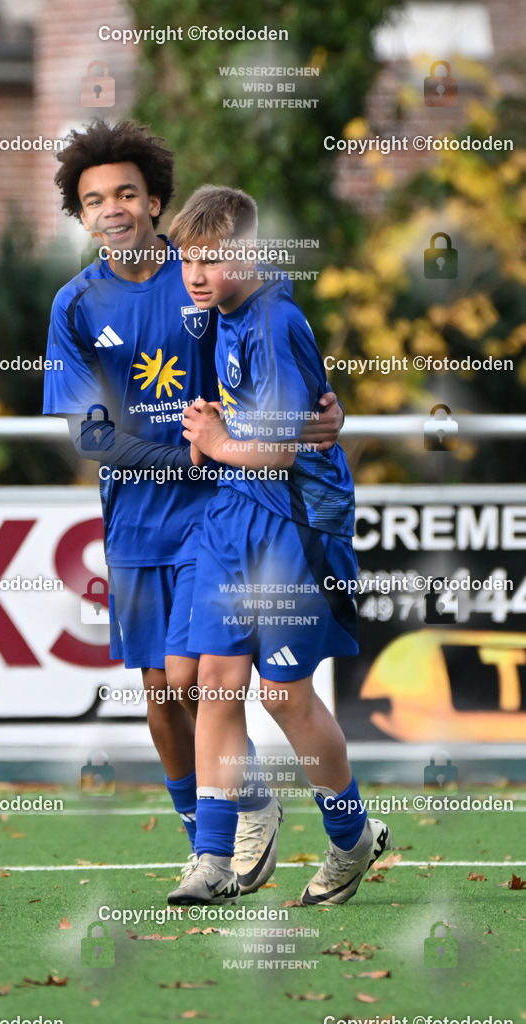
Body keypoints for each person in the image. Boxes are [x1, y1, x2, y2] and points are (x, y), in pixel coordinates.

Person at [43, 120, 344, 892]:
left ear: (154, 202)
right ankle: (221, 825)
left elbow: (277, 343)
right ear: (79, 216)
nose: (110, 209)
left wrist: (318, 414)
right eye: (92, 199)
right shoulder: (75, 305)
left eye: (125, 193)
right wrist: (195, 450)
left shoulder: (202, 272)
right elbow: (90, 435)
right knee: (162, 696)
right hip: (141, 514)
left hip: (225, 507)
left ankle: (227, 843)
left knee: (204, 681)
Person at [165, 185, 390, 907]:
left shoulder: (272, 320)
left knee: (283, 695)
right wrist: (211, 428)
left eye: (212, 259)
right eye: (188, 260)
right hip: (235, 516)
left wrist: (220, 440)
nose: (196, 274)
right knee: (212, 682)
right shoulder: (221, 316)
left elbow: (287, 450)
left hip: (295, 524)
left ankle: (351, 836)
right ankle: (212, 858)